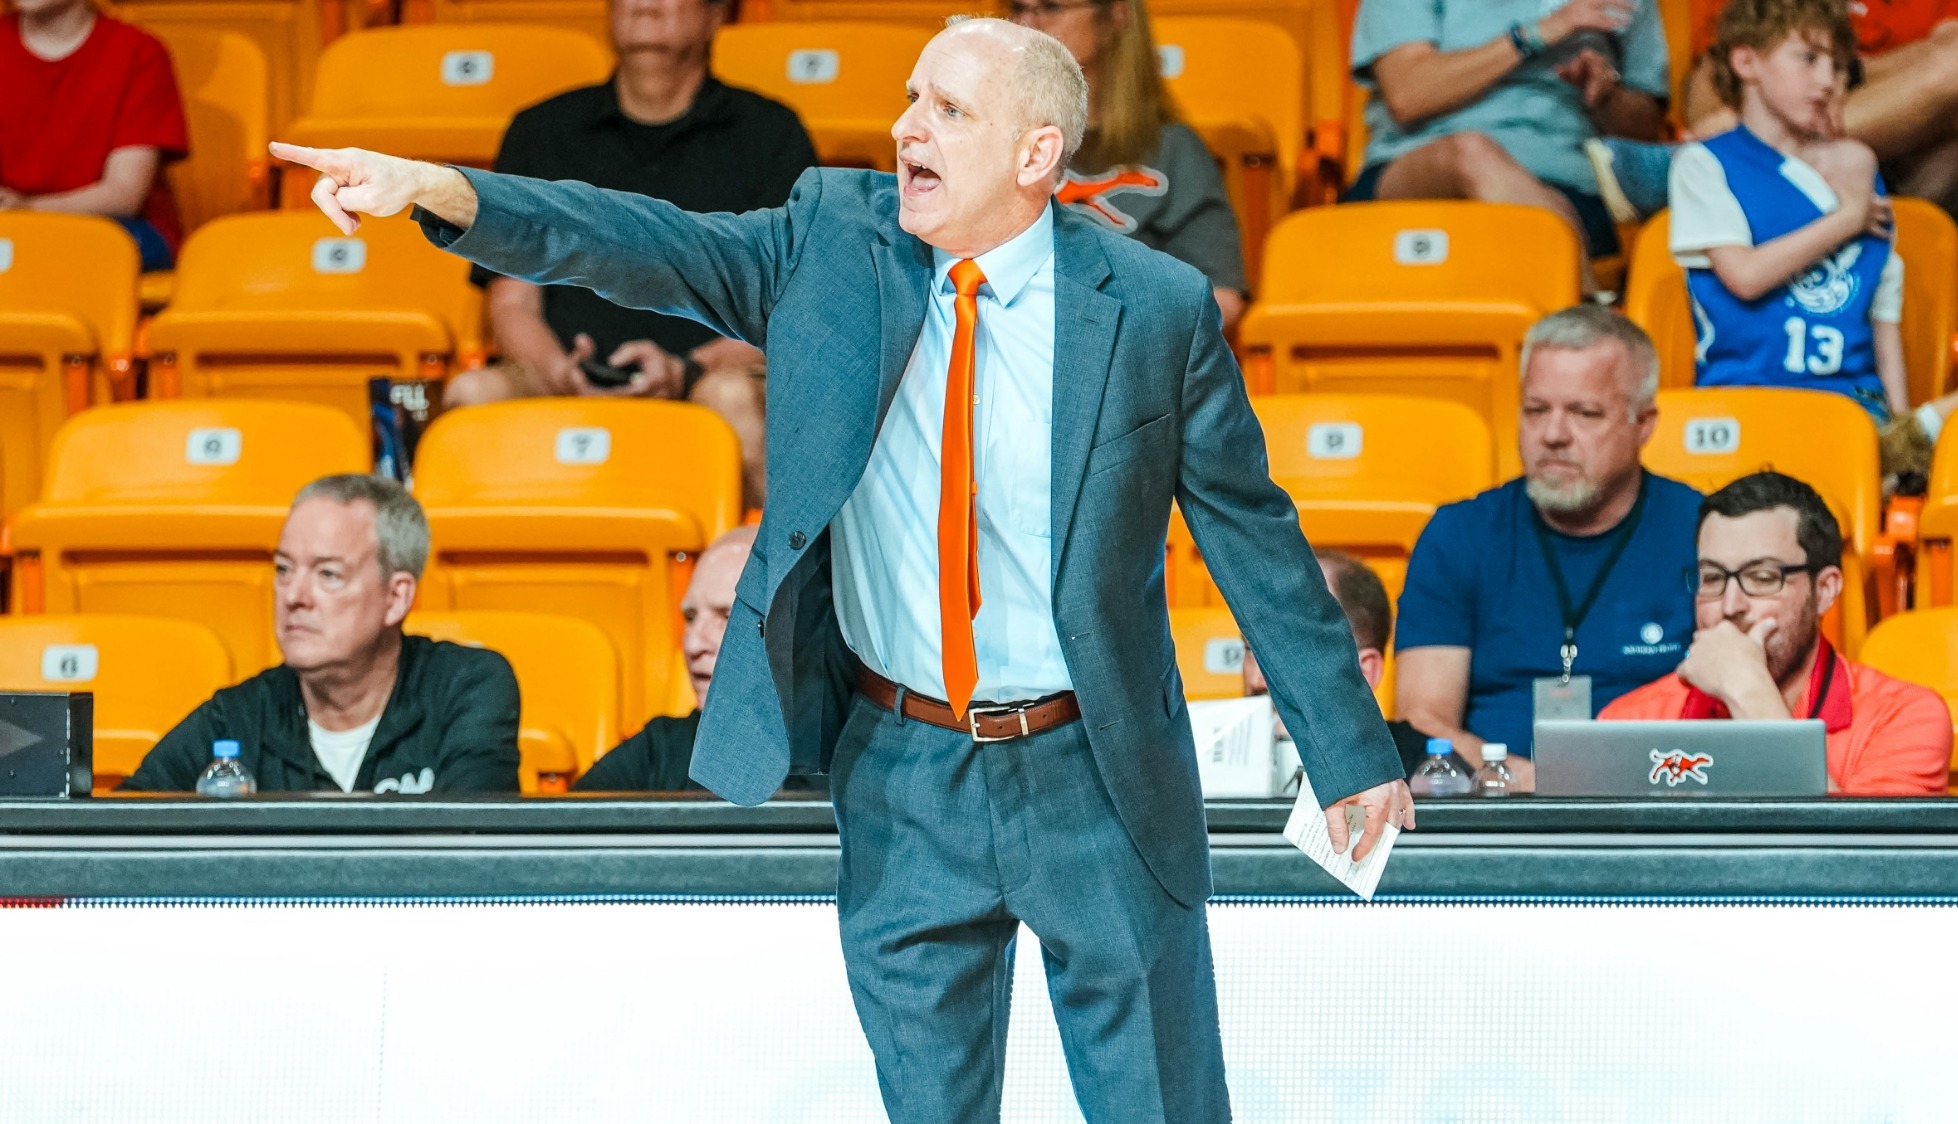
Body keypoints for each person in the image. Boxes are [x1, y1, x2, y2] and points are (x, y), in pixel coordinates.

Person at [272, 16, 1413, 1120]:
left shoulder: (1151, 308)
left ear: (1034, 154)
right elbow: (639, 238)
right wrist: (441, 191)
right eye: (910, 97)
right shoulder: (831, 242)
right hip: (901, 768)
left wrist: (1348, 747)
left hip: (1097, 769)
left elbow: (1252, 533)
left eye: (948, 109)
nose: (906, 127)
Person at [443, 0, 820, 507]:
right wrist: (561, 372)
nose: (644, 5)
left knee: (732, 398)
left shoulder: (770, 135)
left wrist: (687, 370)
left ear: (717, 15)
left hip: (704, 379)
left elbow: (786, 309)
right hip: (562, 380)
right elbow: (512, 304)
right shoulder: (542, 130)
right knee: (472, 397)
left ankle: (766, 580)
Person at [1396, 305, 1704, 790]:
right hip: (1494, 815)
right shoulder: (1459, 534)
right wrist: (1540, 785)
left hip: (1662, 806)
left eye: (1585, 413)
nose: (1554, 434)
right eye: (1536, 410)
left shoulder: (1703, 533)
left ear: (1643, 424)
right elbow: (1424, 723)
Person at [123, 475, 522, 795]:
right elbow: (114, 835)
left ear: (396, 597)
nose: (294, 596)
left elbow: (472, 852)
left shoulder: (464, 687)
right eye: (283, 569)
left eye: (327, 574)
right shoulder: (238, 716)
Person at [1601, 471, 1952, 795]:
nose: (1730, 605)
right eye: (1712, 578)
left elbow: (1859, 860)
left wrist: (1748, 692)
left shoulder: (1902, 717)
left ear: (1825, 589)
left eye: (1762, 578)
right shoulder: (1628, 723)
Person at [1669, 0, 1909, 424]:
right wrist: (1846, 220)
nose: (1827, 82)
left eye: (1837, 67)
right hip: (1744, 401)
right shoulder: (1706, 165)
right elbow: (1744, 277)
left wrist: (1903, 429)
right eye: (1808, 59)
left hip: (1849, 407)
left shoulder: (1856, 170)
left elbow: (1883, 317)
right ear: (1746, 61)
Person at [1594, 0, 1958, 243]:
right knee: (1723, 67)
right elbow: (1714, 82)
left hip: (1920, 176)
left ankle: (1719, 162)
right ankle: (1739, 158)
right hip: (1783, 182)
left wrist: (1831, 80)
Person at [1347, 0, 1671, 291]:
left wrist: (1606, 94)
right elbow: (1408, 94)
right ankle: (1585, 324)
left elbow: (1643, 133)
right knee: (1472, 153)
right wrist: (1535, 34)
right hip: (1416, 170)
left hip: (1567, 181)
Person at [1012, 0, 1248, 330]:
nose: (1027, 24)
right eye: (1016, 7)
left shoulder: (1173, 148)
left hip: (1134, 355)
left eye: (1050, 7)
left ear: (1116, 14)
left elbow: (1219, 297)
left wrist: (1128, 347)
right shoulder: (994, 141)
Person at [1243, 547, 1473, 778]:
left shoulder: (1430, 774)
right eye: (1250, 649)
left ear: (1363, 673)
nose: (1256, 679)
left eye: (1289, 651)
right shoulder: (1208, 759)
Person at [0, 0, 189, 271]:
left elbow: (124, 195)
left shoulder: (138, 52)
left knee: (38, 258)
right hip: (11, 228)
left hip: (117, 226)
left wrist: (27, 209)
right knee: (20, 256)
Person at [571, 525, 749, 792]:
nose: (693, 643)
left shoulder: (831, 761)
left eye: (726, 617)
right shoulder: (655, 754)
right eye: (690, 618)